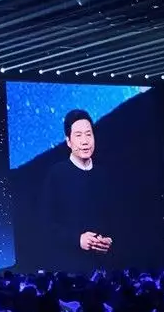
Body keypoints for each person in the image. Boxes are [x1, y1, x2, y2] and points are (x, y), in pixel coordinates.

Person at [40, 109, 113, 272]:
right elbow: (46, 224)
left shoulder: (103, 175)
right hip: (69, 269)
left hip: (103, 267)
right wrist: (77, 240)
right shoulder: (57, 174)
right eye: (78, 135)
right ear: (68, 141)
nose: (85, 141)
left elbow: (115, 218)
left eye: (88, 134)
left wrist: (109, 240)